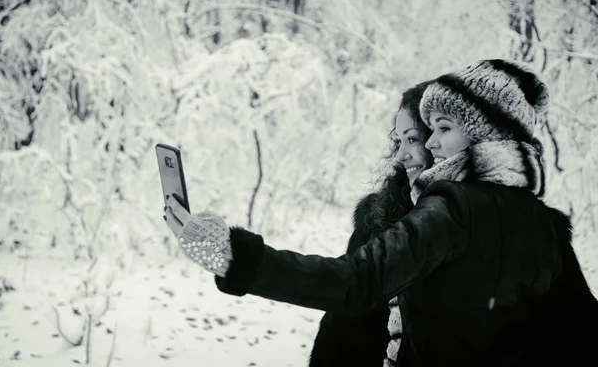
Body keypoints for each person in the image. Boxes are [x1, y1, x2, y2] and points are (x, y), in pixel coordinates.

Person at [163, 59, 598, 366]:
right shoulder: (540, 220)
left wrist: (236, 257)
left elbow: (354, 282)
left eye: (439, 130)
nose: (424, 147)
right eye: (404, 139)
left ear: (483, 135)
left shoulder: (454, 208)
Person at [309, 81, 433, 367]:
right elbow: (342, 325)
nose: (401, 154)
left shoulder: (502, 227)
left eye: (413, 139)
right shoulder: (378, 220)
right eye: (399, 140)